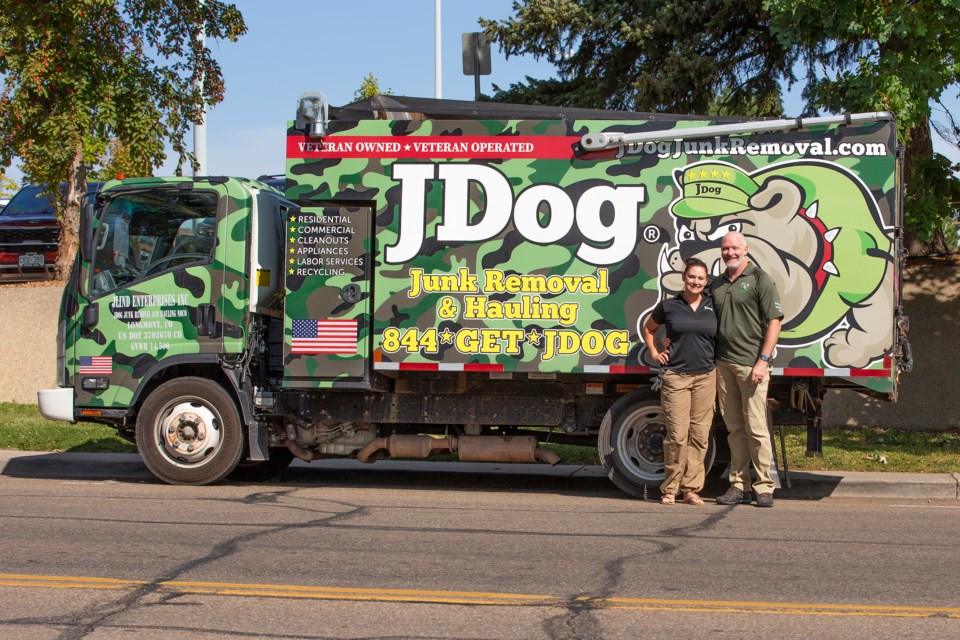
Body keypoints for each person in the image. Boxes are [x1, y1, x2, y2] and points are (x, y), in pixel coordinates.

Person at [709, 231, 783, 508]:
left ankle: (765, 487)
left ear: (745, 249)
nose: (730, 252)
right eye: (726, 248)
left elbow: (774, 322)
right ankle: (738, 485)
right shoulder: (716, 284)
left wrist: (763, 361)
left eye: (735, 248)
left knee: (755, 427)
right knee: (734, 429)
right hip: (723, 364)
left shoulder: (760, 279)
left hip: (752, 365)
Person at [642, 258, 717, 505]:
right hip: (677, 377)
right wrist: (654, 352)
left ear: (706, 281)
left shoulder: (712, 304)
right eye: (692, 277)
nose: (696, 282)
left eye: (700, 278)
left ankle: (692, 490)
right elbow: (649, 328)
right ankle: (670, 489)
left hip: (706, 377)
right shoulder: (669, 306)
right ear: (684, 278)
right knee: (676, 435)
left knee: (699, 436)